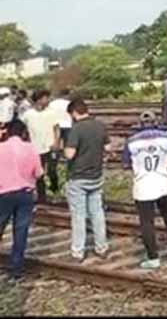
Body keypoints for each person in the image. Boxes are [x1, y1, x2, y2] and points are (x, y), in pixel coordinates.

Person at [123, 111, 167, 269]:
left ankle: (153, 258)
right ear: (156, 122)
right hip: (164, 183)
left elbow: (126, 163)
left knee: (147, 223)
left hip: (142, 186)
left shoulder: (131, 141)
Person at [64, 98, 110, 262]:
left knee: (78, 216)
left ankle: (78, 251)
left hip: (78, 177)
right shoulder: (100, 125)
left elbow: (70, 154)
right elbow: (108, 148)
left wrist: (63, 149)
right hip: (96, 176)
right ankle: (101, 247)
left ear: (74, 113)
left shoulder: (76, 129)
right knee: (97, 213)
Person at [0, 120, 43, 282]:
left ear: (7, 132)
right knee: (20, 231)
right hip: (25, 193)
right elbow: (39, 173)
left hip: (3, 192)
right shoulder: (30, 148)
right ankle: (16, 269)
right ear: (24, 132)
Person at [21, 90, 59, 204]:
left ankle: (54, 190)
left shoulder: (51, 112)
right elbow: (24, 131)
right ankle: (42, 197)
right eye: (45, 98)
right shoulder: (28, 115)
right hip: (35, 148)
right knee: (38, 173)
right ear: (38, 100)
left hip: (50, 146)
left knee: (52, 171)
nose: (47, 100)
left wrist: (56, 142)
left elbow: (56, 128)